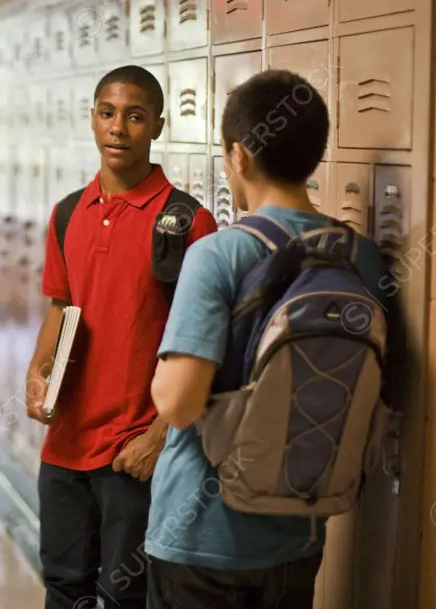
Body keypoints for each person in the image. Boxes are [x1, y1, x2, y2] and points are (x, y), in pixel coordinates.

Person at [144, 69, 390, 608]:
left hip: (200, 536)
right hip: (296, 537)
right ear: (315, 155)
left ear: (238, 156)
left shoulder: (218, 253)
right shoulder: (359, 255)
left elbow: (180, 404)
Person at [24, 65, 217, 609]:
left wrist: (158, 436)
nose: (118, 128)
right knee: (63, 586)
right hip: (65, 446)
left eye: (134, 116)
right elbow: (61, 306)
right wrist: (38, 372)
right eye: (107, 114)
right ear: (91, 119)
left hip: (132, 449)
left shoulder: (188, 222)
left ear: (157, 125)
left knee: (126, 593)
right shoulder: (67, 214)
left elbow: (208, 344)